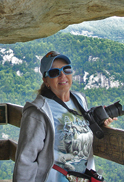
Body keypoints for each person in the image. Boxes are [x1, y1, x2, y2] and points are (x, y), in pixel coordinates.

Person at [13, 51, 116, 182]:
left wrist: (99, 124)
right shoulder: (38, 111)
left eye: (66, 70)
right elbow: (26, 159)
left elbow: (78, 131)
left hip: (82, 177)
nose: (62, 75)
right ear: (46, 80)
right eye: (55, 73)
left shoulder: (79, 100)